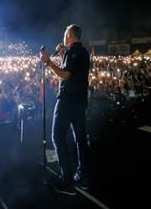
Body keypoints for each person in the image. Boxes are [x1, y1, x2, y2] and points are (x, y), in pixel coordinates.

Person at [40, 24, 90, 195]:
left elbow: (66, 75)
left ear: (69, 35)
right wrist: (63, 55)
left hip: (67, 101)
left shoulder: (73, 51)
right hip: (80, 101)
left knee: (58, 137)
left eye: (64, 34)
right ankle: (83, 178)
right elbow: (73, 71)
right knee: (80, 140)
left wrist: (48, 62)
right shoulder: (82, 52)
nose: (63, 37)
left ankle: (66, 181)